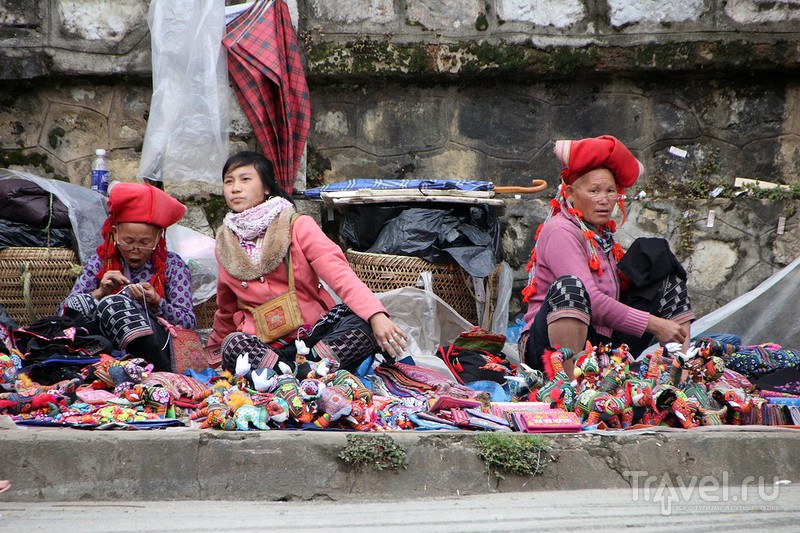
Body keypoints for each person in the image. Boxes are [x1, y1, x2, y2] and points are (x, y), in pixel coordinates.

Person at [208, 151, 408, 378]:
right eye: (228, 181)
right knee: (233, 344)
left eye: (245, 179)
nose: (235, 188)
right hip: (267, 347)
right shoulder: (225, 244)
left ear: (266, 188)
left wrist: (375, 315)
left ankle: (298, 371)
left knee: (363, 325)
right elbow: (226, 311)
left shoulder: (297, 225)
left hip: (313, 336)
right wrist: (213, 356)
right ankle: (302, 374)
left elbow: (340, 275)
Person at [520, 135, 694, 378]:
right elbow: (591, 299)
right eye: (594, 191)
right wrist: (654, 324)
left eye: (610, 191)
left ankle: (677, 377)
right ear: (570, 193)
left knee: (666, 278)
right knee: (571, 287)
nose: (604, 200)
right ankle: (568, 387)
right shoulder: (561, 230)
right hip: (545, 349)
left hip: (601, 341)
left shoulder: (601, 234)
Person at [61, 182, 195, 371]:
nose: (135, 250)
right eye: (128, 241)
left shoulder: (173, 266)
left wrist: (157, 303)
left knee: (116, 307)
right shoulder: (100, 263)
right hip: (106, 348)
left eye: (145, 242)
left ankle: (159, 373)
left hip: (156, 352)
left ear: (158, 238)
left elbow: (188, 322)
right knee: (88, 303)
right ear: (115, 234)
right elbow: (65, 314)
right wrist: (99, 293)